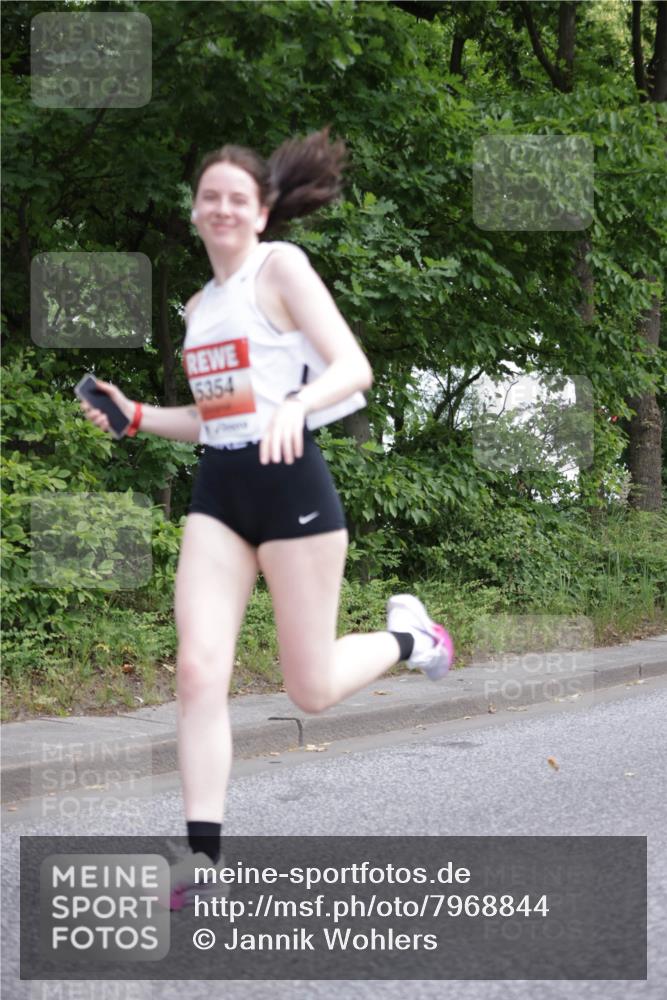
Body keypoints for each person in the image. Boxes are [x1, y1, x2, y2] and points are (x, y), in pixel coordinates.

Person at [78, 125, 454, 909]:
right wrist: (138, 416)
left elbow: (352, 366)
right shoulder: (201, 307)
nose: (220, 207)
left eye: (236, 197)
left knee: (308, 692)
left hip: (292, 489)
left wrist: (300, 403)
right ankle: (201, 854)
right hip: (220, 492)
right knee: (196, 672)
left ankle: (413, 637)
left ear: (260, 212)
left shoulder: (280, 270)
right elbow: (217, 420)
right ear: (194, 212)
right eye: (208, 196)